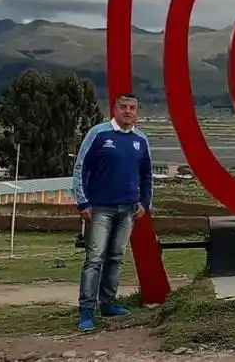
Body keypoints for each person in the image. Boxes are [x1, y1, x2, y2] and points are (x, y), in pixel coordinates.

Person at [72, 92, 153, 332]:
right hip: (100, 209)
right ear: (115, 109)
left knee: (115, 257)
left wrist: (145, 202)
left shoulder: (141, 139)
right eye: (123, 107)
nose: (128, 111)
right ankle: (86, 310)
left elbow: (146, 176)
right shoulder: (98, 133)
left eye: (132, 108)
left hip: (127, 209)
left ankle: (107, 303)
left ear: (137, 112)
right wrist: (82, 202)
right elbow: (79, 167)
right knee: (94, 259)